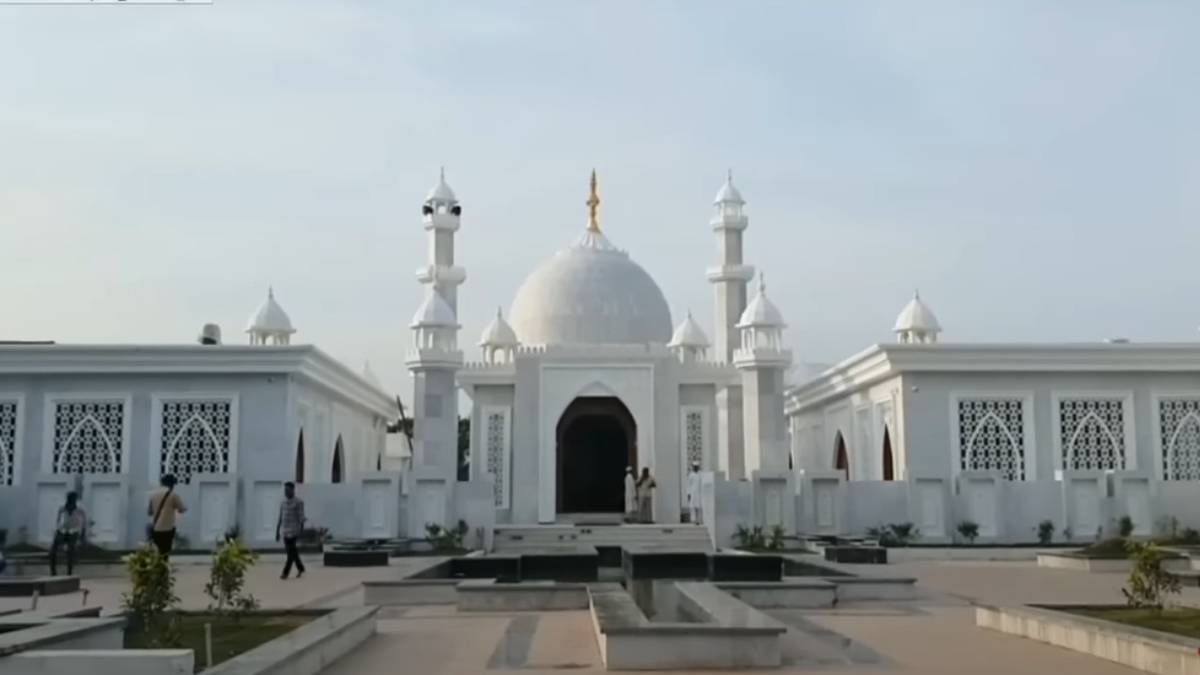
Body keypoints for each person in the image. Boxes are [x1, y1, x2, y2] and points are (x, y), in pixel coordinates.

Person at [148, 474, 186, 558]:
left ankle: (158, 568)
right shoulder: (173, 495)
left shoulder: (153, 495)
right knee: (165, 553)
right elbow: (182, 509)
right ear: (171, 484)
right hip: (167, 529)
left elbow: (150, 512)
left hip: (156, 528)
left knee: (158, 552)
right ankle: (163, 569)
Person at [50, 492, 86, 576]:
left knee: (71, 550)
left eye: (73, 501)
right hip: (62, 531)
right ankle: (53, 572)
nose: (71, 503)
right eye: (70, 500)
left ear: (75, 501)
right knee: (52, 551)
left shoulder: (80, 508)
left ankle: (69, 572)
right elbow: (57, 520)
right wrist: (56, 531)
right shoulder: (62, 507)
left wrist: (82, 535)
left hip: (73, 531)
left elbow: (84, 521)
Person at [276, 481, 306, 580]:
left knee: (290, 553)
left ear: (293, 490)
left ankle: (285, 573)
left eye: (288, 490)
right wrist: (277, 531)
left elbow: (301, 517)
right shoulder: (283, 502)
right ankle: (301, 568)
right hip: (285, 531)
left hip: (294, 531)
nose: (286, 492)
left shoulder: (299, 502)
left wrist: (301, 531)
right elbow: (280, 517)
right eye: (285, 490)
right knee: (293, 552)